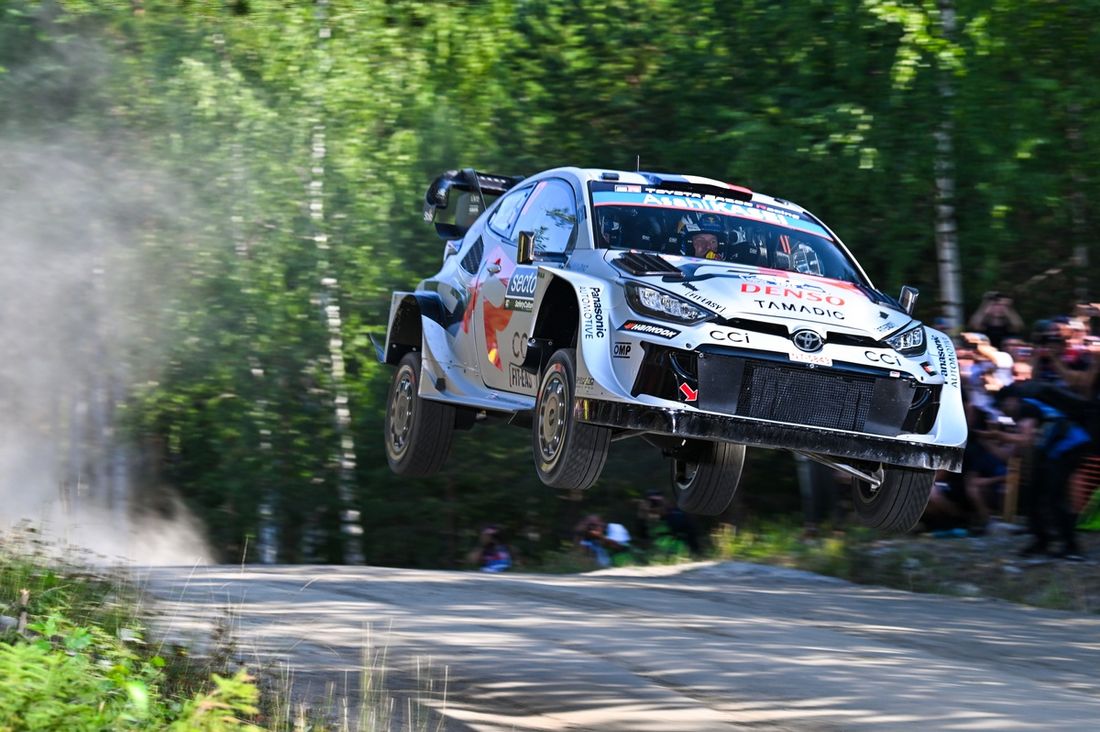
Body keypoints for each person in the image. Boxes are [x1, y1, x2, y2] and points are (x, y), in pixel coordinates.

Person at [993, 385, 1090, 560]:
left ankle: (1070, 546)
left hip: (1070, 446)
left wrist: (999, 436)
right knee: (1034, 492)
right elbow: (1015, 452)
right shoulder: (1029, 408)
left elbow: (1026, 440)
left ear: (1012, 399)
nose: (1004, 411)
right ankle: (1042, 541)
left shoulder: (1026, 407)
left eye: (1003, 405)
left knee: (1054, 497)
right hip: (1063, 448)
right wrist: (989, 440)